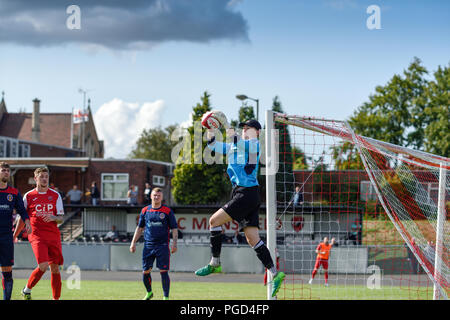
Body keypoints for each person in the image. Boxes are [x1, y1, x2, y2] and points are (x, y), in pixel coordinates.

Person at [194, 118, 285, 298]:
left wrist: (229, 128)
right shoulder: (234, 147)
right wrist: (211, 129)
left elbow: (241, 142)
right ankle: (275, 273)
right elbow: (212, 146)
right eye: (243, 127)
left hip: (246, 194)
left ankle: (215, 262)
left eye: (249, 127)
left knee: (214, 221)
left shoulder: (254, 143)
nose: (245, 129)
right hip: (243, 194)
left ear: (257, 132)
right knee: (252, 239)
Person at [14, 167, 65, 300]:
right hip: (36, 235)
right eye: (41, 176)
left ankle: (56, 298)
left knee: (55, 268)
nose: (44, 179)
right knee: (43, 265)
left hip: (53, 235)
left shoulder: (55, 195)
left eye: (46, 177)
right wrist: (14, 235)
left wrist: (54, 217)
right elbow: (22, 218)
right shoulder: (29, 196)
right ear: (35, 178)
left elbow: (61, 217)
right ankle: (27, 289)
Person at [130, 188, 178, 300]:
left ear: (162, 197)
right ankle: (149, 293)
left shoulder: (167, 211)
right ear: (151, 196)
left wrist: (174, 244)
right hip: (148, 246)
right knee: (145, 271)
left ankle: (166, 297)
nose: (156, 197)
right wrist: (133, 243)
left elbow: (174, 229)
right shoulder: (145, 210)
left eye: (159, 196)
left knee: (163, 271)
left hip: (162, 246)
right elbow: (139, 228)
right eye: (155, 195)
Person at [0, 162, 32, 300]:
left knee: (7, 272)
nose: (6, 172)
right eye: (3, 170)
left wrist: (27, 221)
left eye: (7, 170)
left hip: (6, 236)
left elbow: (22, 211)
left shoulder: (13, 193)